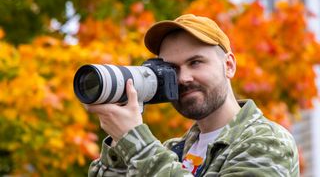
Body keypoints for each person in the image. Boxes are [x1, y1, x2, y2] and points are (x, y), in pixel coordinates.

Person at [87, 14, 299, 176]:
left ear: (229, 65)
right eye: (172, 69)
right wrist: (119, 141)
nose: (183, 78)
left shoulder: (268, 141)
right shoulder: (171, 150)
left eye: (195, 62)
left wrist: (136, 142)